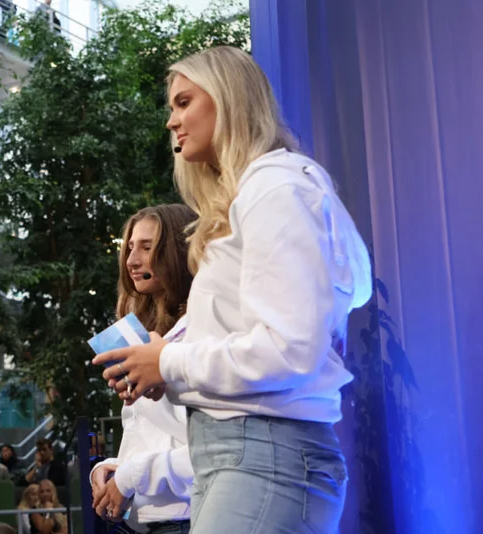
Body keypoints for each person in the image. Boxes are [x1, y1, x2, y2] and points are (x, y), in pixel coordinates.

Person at [93, 46, 372, 534]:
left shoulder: (276, 188)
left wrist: (168, 362)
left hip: (266, 458)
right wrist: (168, 371)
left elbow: (290, 349)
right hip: (241, 458)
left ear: (228, 98)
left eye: (183, 103)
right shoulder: (263, 193)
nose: (171, 121)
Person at [90, 204, 197, 533]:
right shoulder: (142, 333)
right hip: (141, 522)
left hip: (186, 519)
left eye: (147, 248)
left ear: (180, 251)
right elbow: (149, 434)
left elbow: (213, 449)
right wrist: (114, 469)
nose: (132, 261)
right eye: (130, 247)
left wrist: (132, 474)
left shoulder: (202, 335)